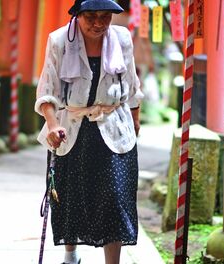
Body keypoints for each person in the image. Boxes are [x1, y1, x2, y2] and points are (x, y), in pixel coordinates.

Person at [35, 0, 144, 263]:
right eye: (91, 16)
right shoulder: (60, 40)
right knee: (71, 194)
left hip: (114, 126)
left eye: (105, 16)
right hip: (72, 128)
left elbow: (131, 84)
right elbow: (48, 89)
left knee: (115, 197)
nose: (98, 23)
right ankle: (71, 256)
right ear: (77, 15)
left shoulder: (122, 38)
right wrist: (52, 124)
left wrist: (135, 119)